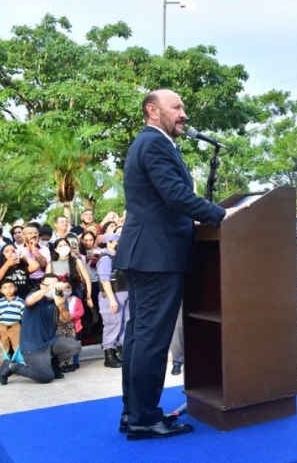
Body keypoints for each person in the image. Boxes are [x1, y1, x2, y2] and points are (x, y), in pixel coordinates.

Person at [114, 90, 243, 441]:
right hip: (157, 257)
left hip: (148, 254)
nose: (183, 114)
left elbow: (164, 200)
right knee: (151, 341)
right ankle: (144, 418)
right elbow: (175, 194)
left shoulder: (149, 143)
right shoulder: (154, 144)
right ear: (153, 111)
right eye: (177, 107)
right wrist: (220, 214)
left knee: (141, 338)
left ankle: (134, 412)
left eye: (184, 107)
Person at [0, 274, 81, 385]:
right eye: (49, 285)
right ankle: (12, 365)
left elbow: (65, 320)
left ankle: (52, 364)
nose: (54, 288)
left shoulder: (59, 298)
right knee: (46, 377)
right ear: (42, 286)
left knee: (75, 346)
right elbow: (29, 302)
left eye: (56, 285)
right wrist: (50, 288)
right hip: (33, 346)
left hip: (50, 341)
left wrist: (61, 306)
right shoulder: (35, 296)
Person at [96, 233, 127, 368]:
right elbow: (105, 280)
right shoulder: (106, 258)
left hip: (125, 294)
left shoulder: (120, 256)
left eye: (117, 241)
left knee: (125, 324)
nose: (116, 244)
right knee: (112, 324)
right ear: (107, 243)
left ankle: (120, 352)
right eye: (113, 241)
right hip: (113, 295)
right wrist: (112, 299)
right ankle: (109, 355)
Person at [0, 280, 24, 367]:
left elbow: (23, 317)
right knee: (3, 349)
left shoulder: (20, 301)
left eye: (11, 287)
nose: (8, 290)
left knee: (18, 347)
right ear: (1, 291)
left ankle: (19, 367)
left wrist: (24, 329)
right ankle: (4, 367)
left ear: (15, 288)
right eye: (5, 288)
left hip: (16, 327)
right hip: (2, 328)